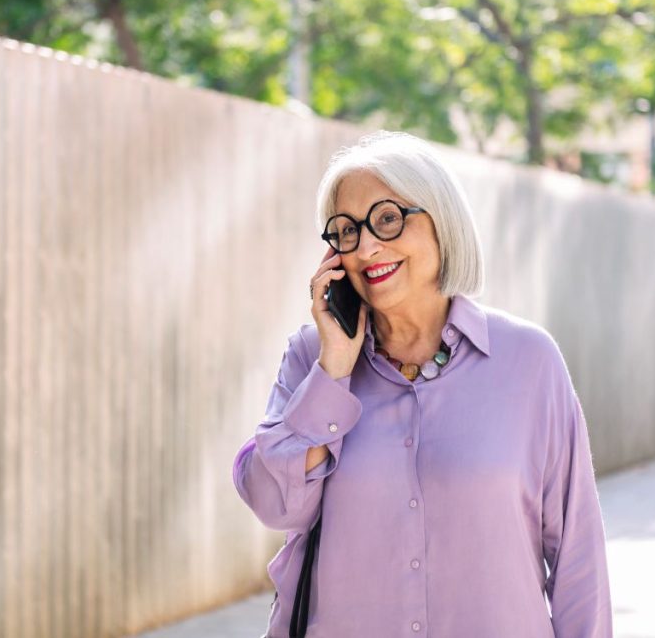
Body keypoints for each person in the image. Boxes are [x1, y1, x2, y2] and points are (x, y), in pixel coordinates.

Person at [231, 131, 613, 637]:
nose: (366, 246)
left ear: (441, 221)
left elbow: (576, 556)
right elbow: (275, 505)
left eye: (387, 219)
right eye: (345, 231)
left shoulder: (529, 360)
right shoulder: (312, 359)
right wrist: (334, 372)